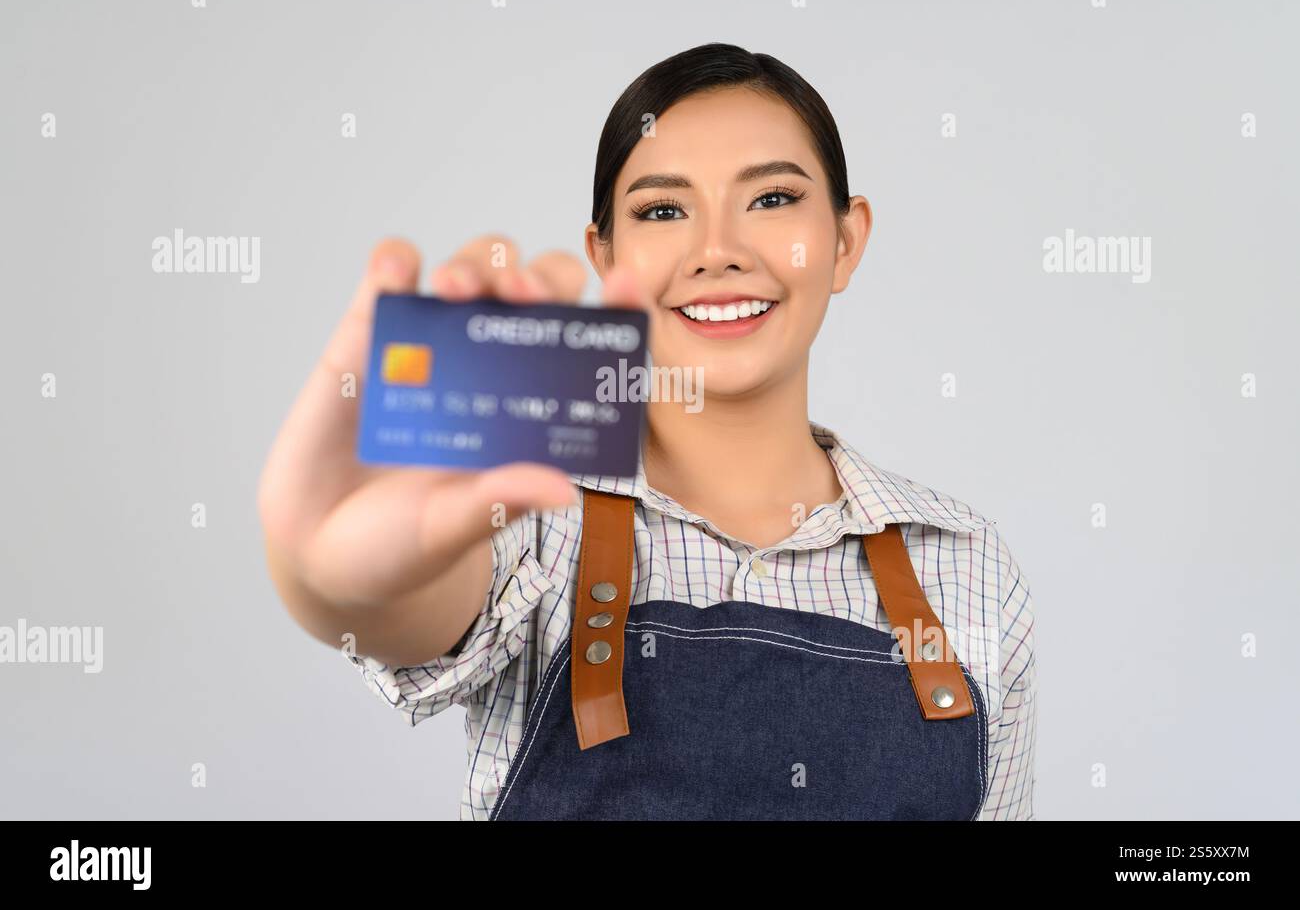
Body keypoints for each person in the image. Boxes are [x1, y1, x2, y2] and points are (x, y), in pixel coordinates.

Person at [257, 42, 1038, 820]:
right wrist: (332, 576)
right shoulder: (531, 514)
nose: (718, 253)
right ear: (605, 256)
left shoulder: (966, 565)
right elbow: (406, 597)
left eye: (770, 199)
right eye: (664, 210)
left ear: (845, 240)